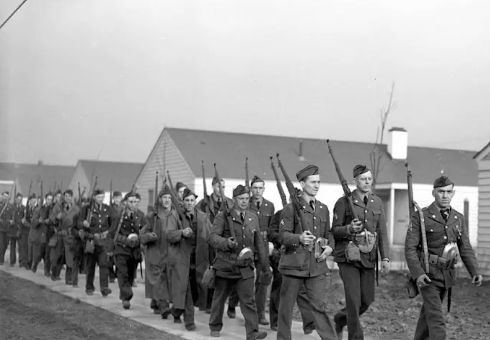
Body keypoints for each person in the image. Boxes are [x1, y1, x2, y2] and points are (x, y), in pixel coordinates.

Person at [405, 175, 482, 340]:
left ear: (453, 193)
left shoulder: (458, 218)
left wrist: (474, 271)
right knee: (437, 321)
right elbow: (410, 248)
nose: (445, 195)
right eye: (441, 191)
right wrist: (418, 274)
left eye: (448, 192)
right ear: (434, 193)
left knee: (428, 317)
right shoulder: (421, 216)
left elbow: (465, 247)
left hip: (447, 276)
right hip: (428, 275)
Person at [277, 165, 337, 340]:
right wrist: (299, 238)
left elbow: (329, 233)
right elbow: (282, 236)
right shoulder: (290, 209)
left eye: (318, 182)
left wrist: (330, 247)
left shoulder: (323, 208)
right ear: (303, 184)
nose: (317, 186)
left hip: (316, 266)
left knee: (319, 306)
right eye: (313, 182)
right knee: (286, 308)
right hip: (294, 265)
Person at [331, 165, 390, 340]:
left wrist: (385, 257)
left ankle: (341, 318)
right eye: (363, 179)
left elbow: (382, 232)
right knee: (353, 300)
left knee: (367, 300)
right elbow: (334, 230)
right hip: (348, 257)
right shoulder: (343, 202)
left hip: (368, 257)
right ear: (355, 180)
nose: (366, 182)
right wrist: (349, 228)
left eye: (369, 179)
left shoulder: (376, 202)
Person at [208, 184, 270, 340]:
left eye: (246, 199)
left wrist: (265, 267)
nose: (244, 201)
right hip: (225, 265)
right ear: (234, 199)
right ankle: (215, 326)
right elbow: (212, 238)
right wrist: (226, 243)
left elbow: (259, 244)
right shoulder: (223, 216)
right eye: (241, 199)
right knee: (219, 298)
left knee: (249, 301)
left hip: (245, 267)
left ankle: (252, 332)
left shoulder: (253, 218)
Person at [228, 175, 275, 323]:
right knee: (242, 278)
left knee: (262, 281)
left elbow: (272, 227)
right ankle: (232, 302)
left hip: (262, 248)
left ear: (264, 189)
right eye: (255, 188)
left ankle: (260, 313)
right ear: (251, 189)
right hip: (247, 248)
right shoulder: (245, 204)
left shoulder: (269, 206)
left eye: (260, 188)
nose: (258, 191)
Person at [268, 188, 315, 334]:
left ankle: (309, 322)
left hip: (302, 259)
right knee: (280, 290)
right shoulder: (280, 214)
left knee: (302, 291)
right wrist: (289, 239)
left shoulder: (307, 215)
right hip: (283, 255)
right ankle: (275, 321)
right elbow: (272, 234)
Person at [166, 188, 212, 330]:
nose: (189, 203)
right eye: (187, 200)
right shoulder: (175, 216)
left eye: (192, 200)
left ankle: (176, 310)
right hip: (181, 259)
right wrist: (182, 232)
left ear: (195, 201)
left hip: (198, 260)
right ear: (182, 202)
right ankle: (189, 321)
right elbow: (169, 235)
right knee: (186, 290)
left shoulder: (203, 217)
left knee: (196, 289)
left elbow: (210, 237)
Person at [107, 192, 146, 309]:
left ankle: (125, 293)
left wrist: (139, 241)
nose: (133, 204)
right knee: (122, 274)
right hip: (121, 250)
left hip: (134, 251)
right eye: (131, 202)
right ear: (125, 202)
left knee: (130, 275)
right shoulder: (119, 216)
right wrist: (124, 241)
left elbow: (144, 231)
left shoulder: (141, 216)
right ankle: (126, 297)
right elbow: (112, 234)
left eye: (135, 202)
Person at [140, 186, 174, 317]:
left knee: (165, 280)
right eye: (164, 197)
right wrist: (149, 236)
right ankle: (164, 307)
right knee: (158, 280)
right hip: (155, 253)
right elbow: (142, 236)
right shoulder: (151, 217)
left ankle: (155, 303)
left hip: (169, 253)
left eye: (169, 198)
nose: (167, 200)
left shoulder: (174, 215)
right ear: (159, 199)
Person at [76, 189, 114, 296]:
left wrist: (108, 233)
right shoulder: (87, 209)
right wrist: (83, 223)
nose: (101, 199)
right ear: (94, 197)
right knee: (91, 266)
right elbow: (78, 223)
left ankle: (104, 287)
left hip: (102, 241)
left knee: (104, 264)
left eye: (102, 197)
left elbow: (112, 224)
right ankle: (89, 287)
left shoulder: (107, 209)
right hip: (91, 241)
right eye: (99, 197)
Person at [49, 190, 80, 283]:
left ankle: (69, 279)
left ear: (72, 197)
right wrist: (57, 218)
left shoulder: (76, 209)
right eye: (66, 196)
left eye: (69, 196)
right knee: (58, 256)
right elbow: (51, 219)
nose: (67, 198)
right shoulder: (58, 207)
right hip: (59, 235)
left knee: (70, 258)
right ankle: (54, 274)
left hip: (70, 236)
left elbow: (79, 221)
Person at [30, 192, 54, 273]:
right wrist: (38, 221)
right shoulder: (39, 209)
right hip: (41, 234)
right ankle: (35, 264)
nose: (49, 201)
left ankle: (47, 270)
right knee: (39, 253)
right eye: (48, 199)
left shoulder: (54, 210)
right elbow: (33, 222)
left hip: (50, 234)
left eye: (51, 199)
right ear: (45, 199)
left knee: (48, 253)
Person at [108, 191, 123, 283]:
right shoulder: (109, 209)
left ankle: (117, 273)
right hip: (111, 234)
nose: (117, 200)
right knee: (109, 257)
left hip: (120, 235)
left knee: (119, 255)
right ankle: (111, 274)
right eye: (116, 198)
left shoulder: (123, 208)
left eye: (119, 198)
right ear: (113, 198)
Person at [23, 194, 38, 269]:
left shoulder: (37, 209)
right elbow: (24, 219)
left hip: (34, 230)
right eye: (32, 201)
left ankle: (32, 262)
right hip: (27, 230)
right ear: (29, 201)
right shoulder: (27, 209)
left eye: (34, 201)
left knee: (33, 248)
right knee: (27, 247)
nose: (33, 202)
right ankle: (27, 262)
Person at [0, 191, 14, 266]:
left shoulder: (10, 206)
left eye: (7, 196)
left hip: (7, 229)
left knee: (5, 244)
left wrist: (12, 221)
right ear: (2, 196)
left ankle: (1, 256)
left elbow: (12, 216)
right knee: (1, 245)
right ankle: (1, 259)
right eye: (4, 196)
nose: (5, 198)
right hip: (0, 228)